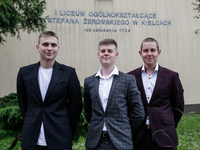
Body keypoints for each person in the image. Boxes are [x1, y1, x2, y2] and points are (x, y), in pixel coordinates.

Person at [17, 31, 83, 150]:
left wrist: (67, 131)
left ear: (58, 48)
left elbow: (75, 107)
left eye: (53, 45)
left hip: (60, 138)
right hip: (31, 140)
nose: (49, 48)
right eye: (45, 44)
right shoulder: (24, 73)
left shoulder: (69, 73)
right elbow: (23, 104)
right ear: (38, 47)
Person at [83, 38, 145, 150]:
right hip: (95, 142)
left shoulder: (128, 80)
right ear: (98, 54)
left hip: (120, 141)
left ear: (116, 54)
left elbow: (139, 112)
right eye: (103, 51)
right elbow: (88, 112)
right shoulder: (89, 81)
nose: (106, 53)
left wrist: (124, 128)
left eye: (110, 51)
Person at [127, 37, 184, 150]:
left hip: (165, 134)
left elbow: (178, 106)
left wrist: (168, 124)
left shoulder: (171, 76)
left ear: (158, 52)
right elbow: (128, 106)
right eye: (146, 50)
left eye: (152, 50)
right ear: (140, 53)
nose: (149, 54)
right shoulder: (130, 77)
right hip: (138, 136)